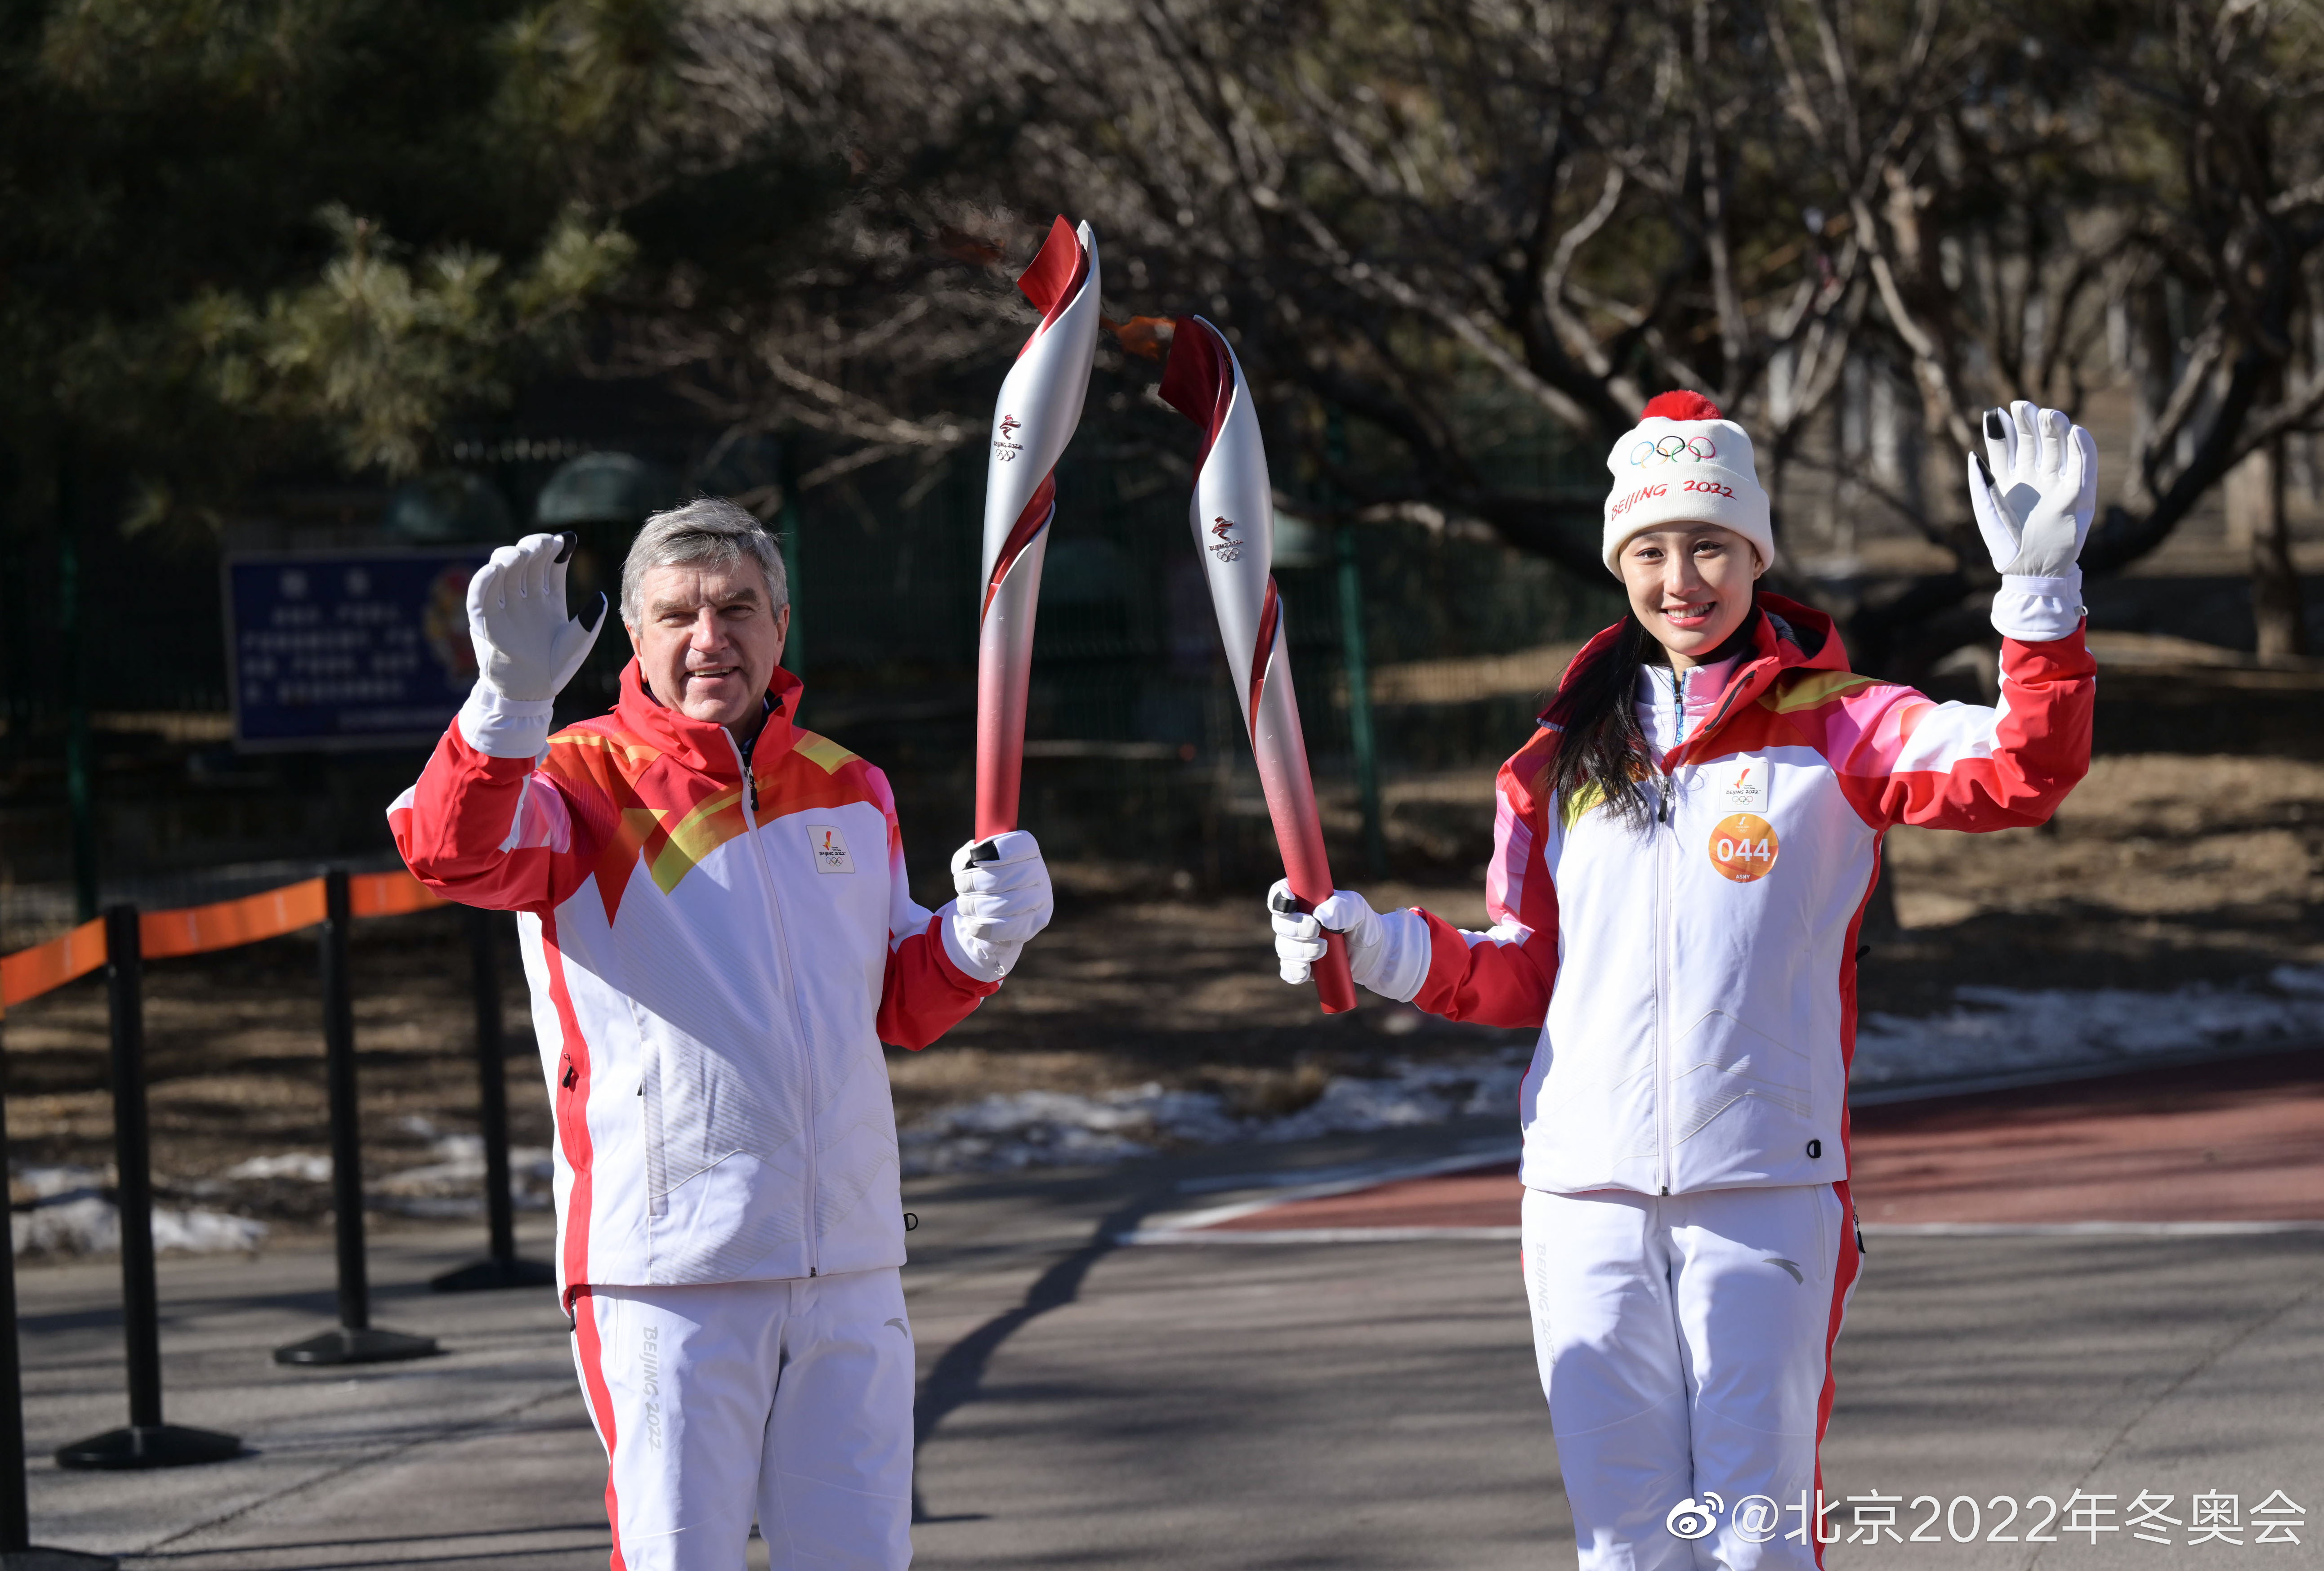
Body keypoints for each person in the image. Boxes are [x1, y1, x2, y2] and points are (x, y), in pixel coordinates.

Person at [1270, 393, 2097, 1570]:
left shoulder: (1844, 726)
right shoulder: (1558, 761)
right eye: (1651, 551)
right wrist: (1375, 942)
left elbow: (2026, 769)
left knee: (1755, 1538)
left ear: (1756, 552)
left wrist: (2041, 601)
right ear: (1621, 563)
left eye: (1711, 543)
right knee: (1626, 1546)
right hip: (1582, 1197)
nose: (1682, 578)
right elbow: (1523, 970)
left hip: (1764, 1184)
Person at [391, 498, 1054, 1571]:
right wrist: (503, 703)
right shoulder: (572, 778)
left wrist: (981, 943)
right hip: (668, 1272)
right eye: (679, 614)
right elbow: (450, 852)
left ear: (780, 625)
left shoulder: (850, 785)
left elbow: (894, 1002)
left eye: (739, 607)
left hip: (847, 1260)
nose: (712, 638)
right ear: (635, 640)